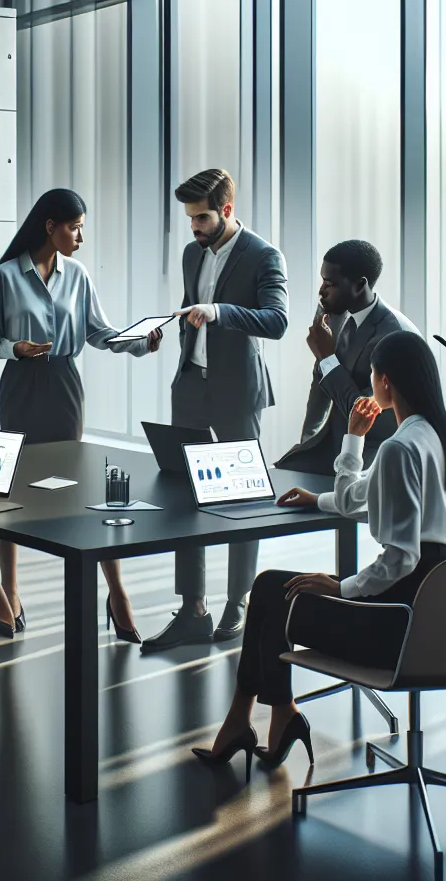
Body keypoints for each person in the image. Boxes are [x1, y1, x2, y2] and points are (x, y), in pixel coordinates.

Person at [191, 332, 446, 769]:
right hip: (431, 614)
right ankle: (267, 716)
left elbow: (400, 559)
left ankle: (259, 717)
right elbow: (361, 499)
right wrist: (317, 499)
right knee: (272, 589)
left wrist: (341, 587)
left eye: (373, 374)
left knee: (270, 592)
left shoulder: (398, 448)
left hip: (392, 627)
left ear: (386, 383)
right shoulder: (434, 439)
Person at [0, 188, 163, 641]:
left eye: (82, 228)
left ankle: (117, 593)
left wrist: (139, 342)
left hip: (65, 386)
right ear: (50, 226)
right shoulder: (4, 277)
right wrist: (14, 348)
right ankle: (11, 591)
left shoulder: (77, 275)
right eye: (74, 227)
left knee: (82, 487)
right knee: (12, 490)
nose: (80, 237)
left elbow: (99, 332)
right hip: (21, 385)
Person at [141, 169, 290, 654]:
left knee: (242, 498)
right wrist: (166, 327)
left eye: (201, 217)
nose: (194, 228)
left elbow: (277, 321)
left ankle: (238, 599)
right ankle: (193, 609)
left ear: (226, 210)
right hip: (189, 386)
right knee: (185, 495)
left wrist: (221, 311)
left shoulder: (265, 256)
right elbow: (190, 306)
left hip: (234, 392)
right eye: (189, 219)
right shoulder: (191, 252)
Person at [275, 239, 416, 476]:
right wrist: (307, 440)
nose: (321, 291)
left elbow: (365, 415)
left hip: (374, 452)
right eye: (322, 280)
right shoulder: (333, 312)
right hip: (331, 442)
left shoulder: (394, 337)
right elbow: (319, 385)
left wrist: (326, 357)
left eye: (330, 284)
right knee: (279, 476)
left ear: (360, 285)